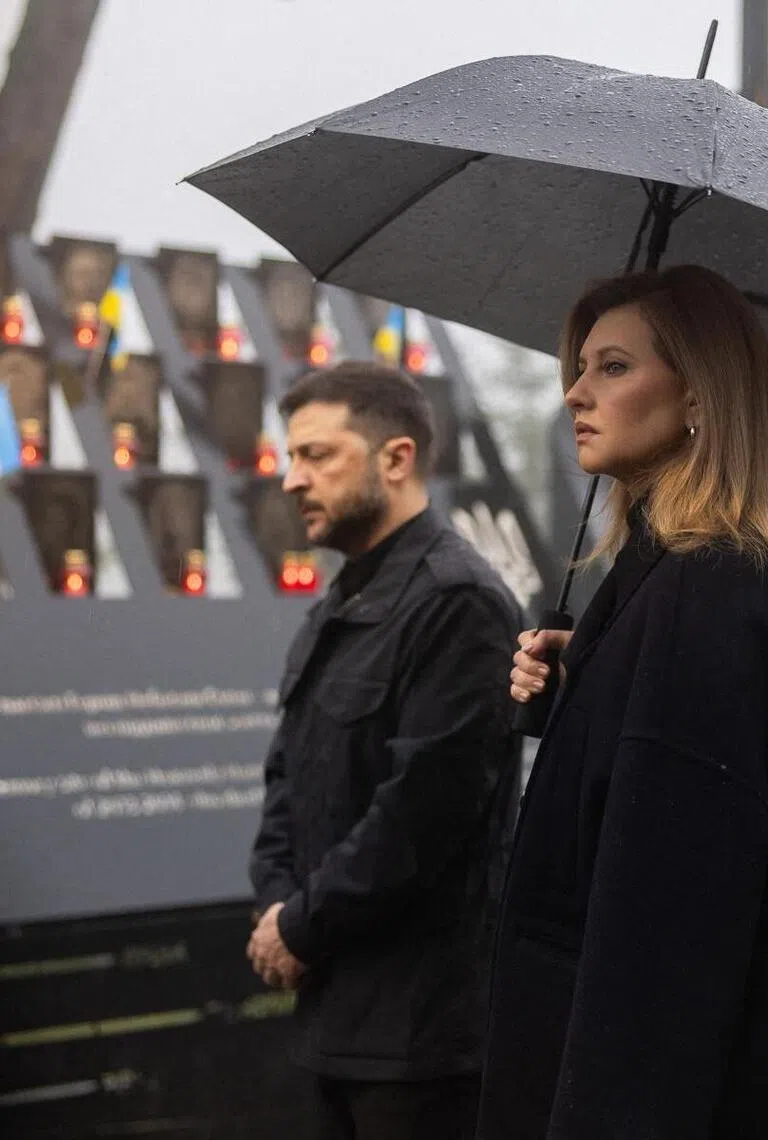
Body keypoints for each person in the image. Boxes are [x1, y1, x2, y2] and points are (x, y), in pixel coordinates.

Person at [477, 266, 768, 1139]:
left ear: (700, 400)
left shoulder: (700, 600)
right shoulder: (717, 587)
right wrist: (590, 681)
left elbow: (664, 941)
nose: (573, 393)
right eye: (581, 367)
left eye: (612, 367)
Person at [246, 362, 522, 1140]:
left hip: (423, 1042)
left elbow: (420, 815)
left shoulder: (457, 603)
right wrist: (275, 909)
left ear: (396, 458)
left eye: (318, 456)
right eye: (291, 457)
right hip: (332, 1016)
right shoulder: (337, 608)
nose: (294, 479)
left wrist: (300, 928)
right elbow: (285, 784)